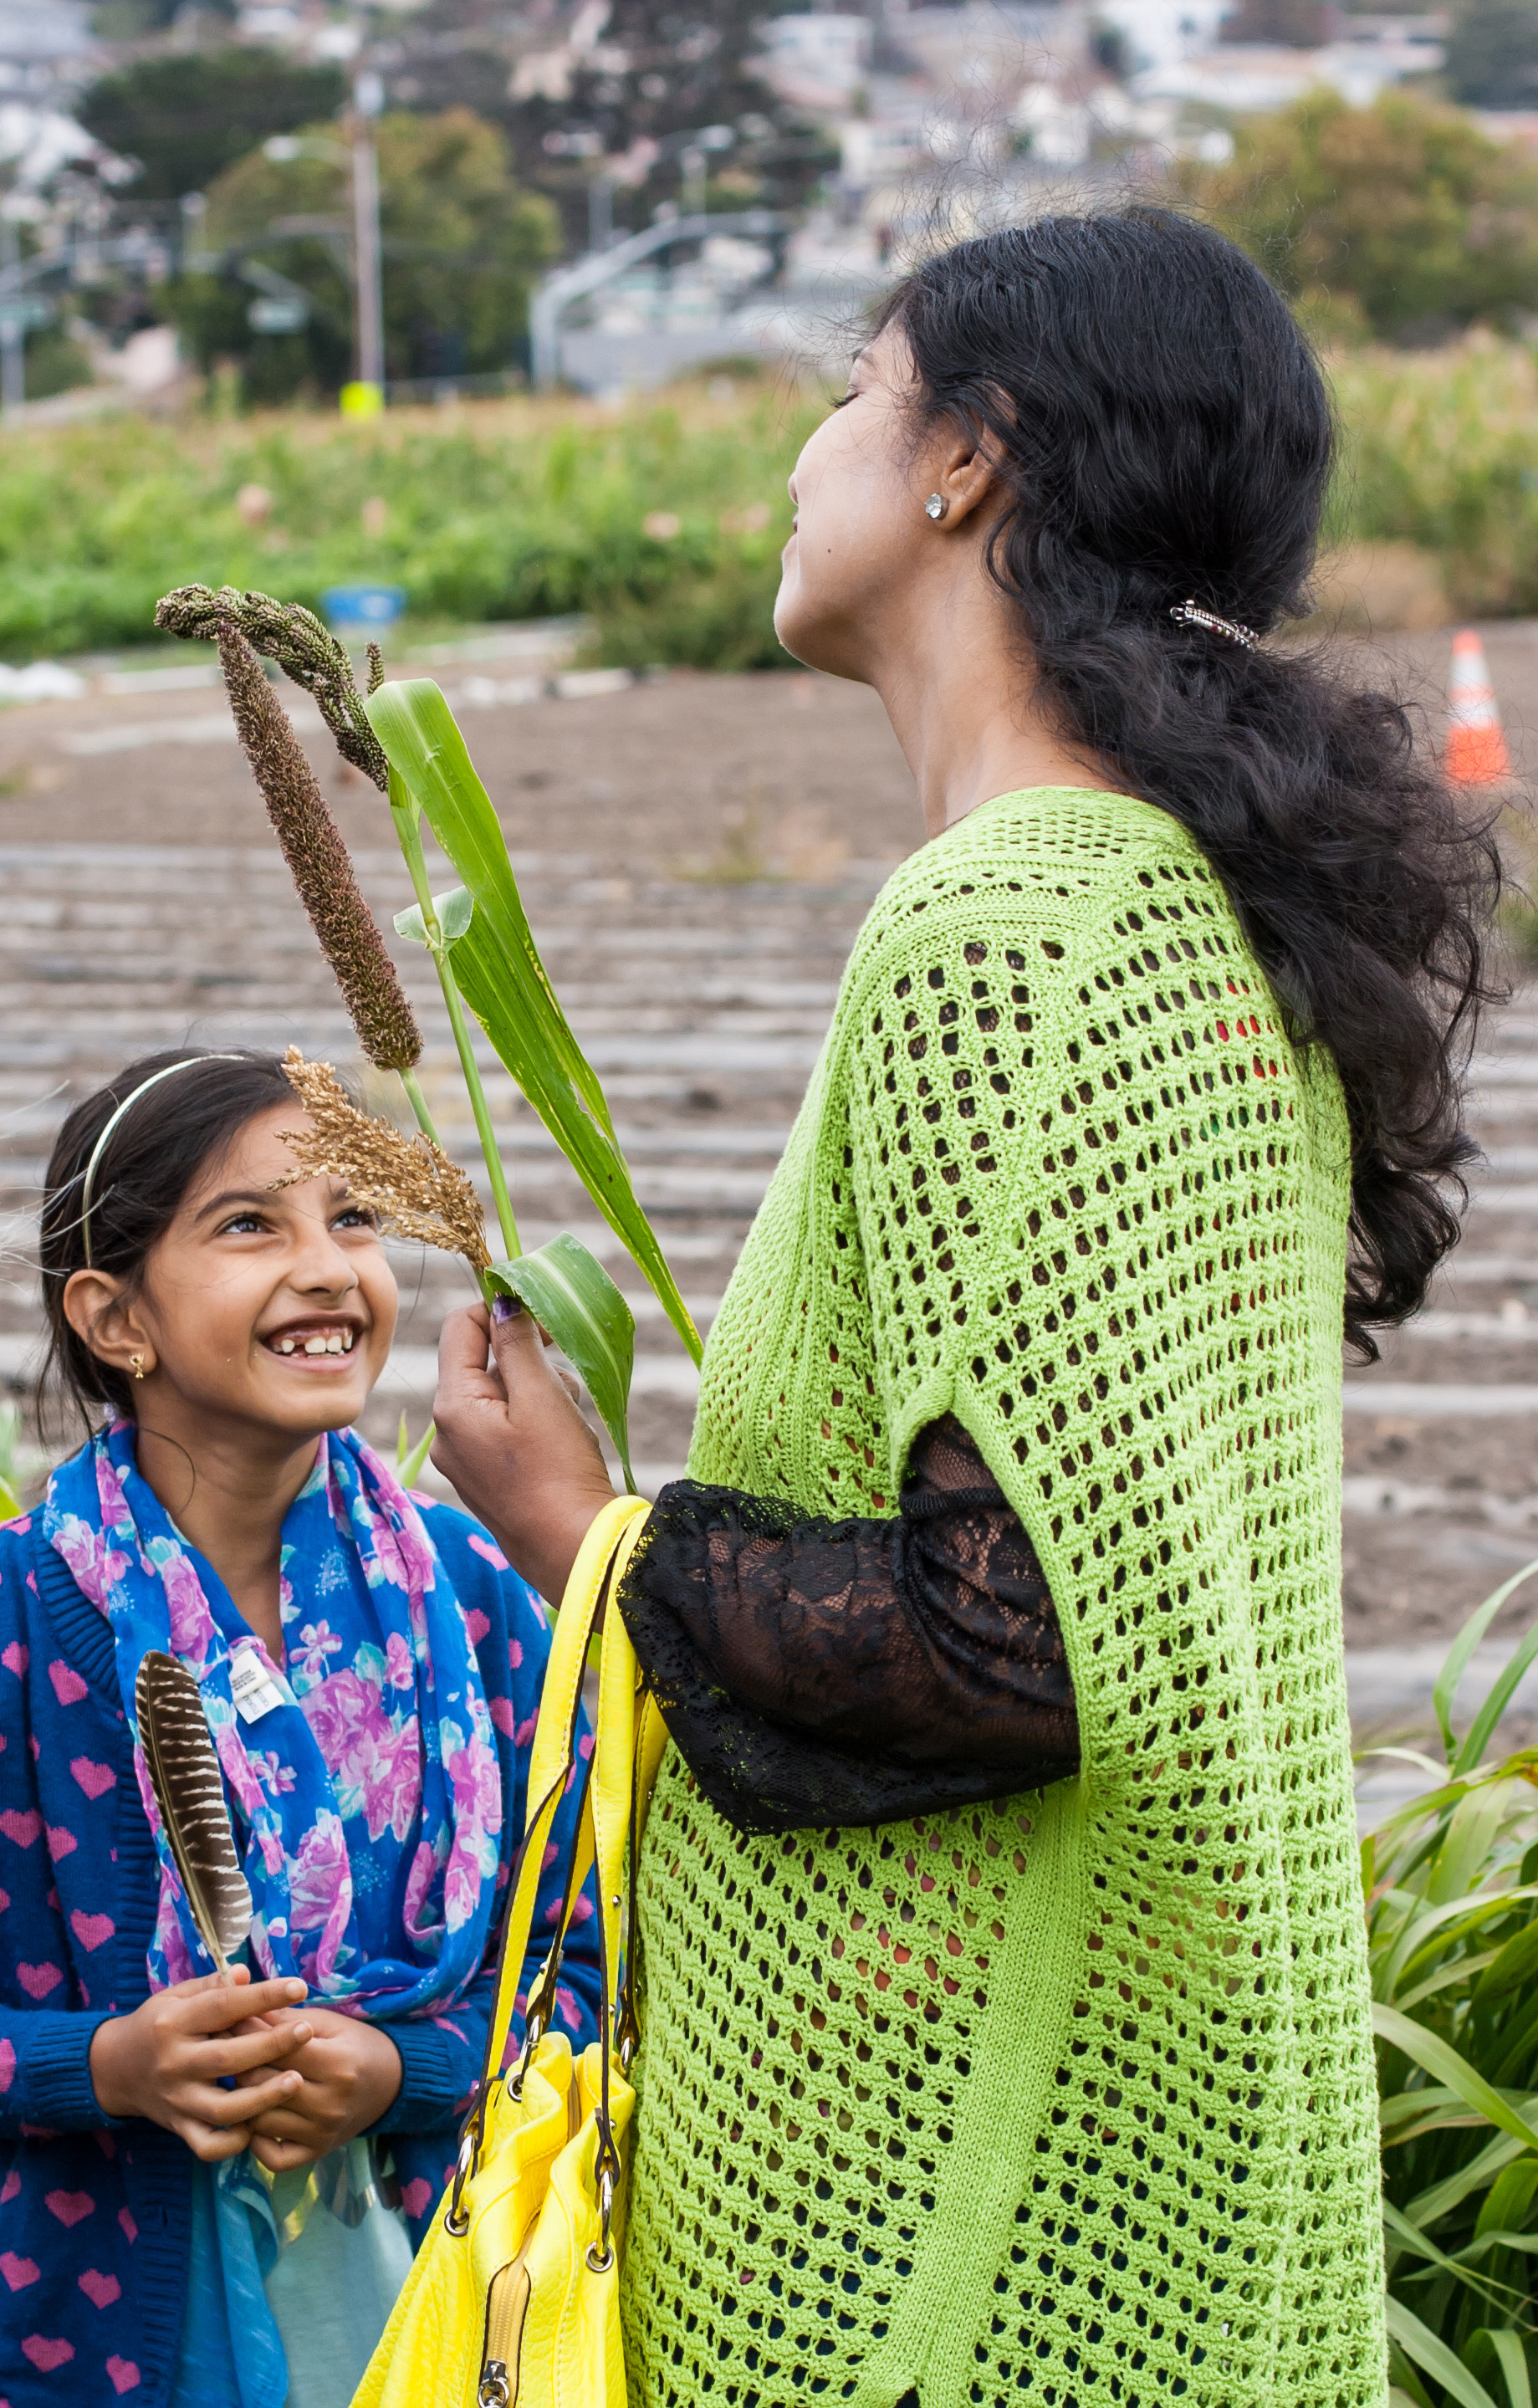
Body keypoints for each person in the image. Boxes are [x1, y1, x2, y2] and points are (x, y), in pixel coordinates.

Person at [426, 211, 1498, 2408]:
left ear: (966, 461)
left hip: (957, 2242)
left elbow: (1016, 1647)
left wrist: (584, 1537)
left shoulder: (1014, 929)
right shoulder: (1186, 910)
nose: (801, 453)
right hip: (1145, 2154)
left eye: (851, 391)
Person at [0, 1049, 599, 2408]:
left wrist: (404, 2067)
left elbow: (582, 1964)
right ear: (116, 1318)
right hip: (84, 2340)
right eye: (250, 1224)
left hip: (434, 2321)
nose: (328, 1267)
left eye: (352, 1217)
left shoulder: (471, 1607)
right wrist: (104, 2065)